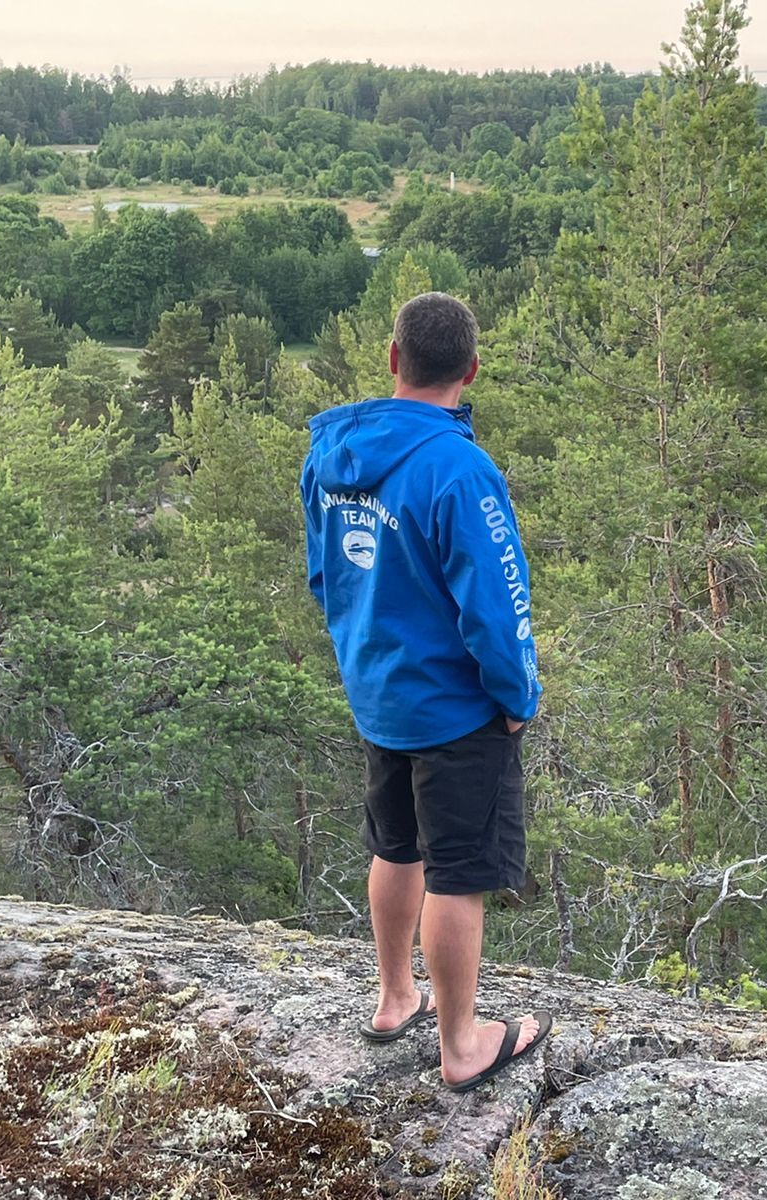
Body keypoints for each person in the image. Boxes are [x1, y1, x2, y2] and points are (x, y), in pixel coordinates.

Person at [300, 291, 550, 1093]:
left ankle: (392, 998)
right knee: (457, 874)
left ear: (393, 358)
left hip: (380, 694)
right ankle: (461, 1047)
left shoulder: (329, 452)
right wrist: (517, 697)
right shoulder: (460, 469)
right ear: (470, 370)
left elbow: (324, 575)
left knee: (393, 843)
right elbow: (498, 606)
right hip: (456, 708)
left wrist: (367, 654)